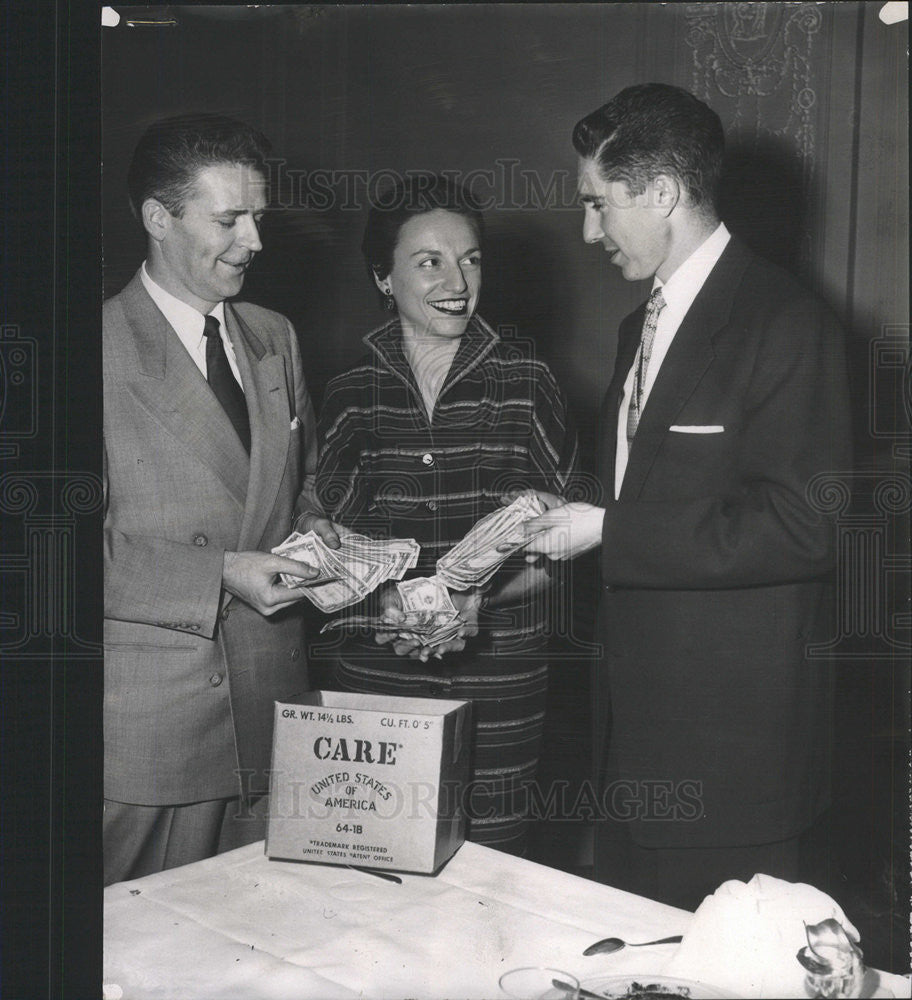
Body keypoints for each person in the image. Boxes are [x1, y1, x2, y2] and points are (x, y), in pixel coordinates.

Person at [522, 84, 852, 909]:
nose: (588, 231)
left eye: (599, 204)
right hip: (632, 755)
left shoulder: (785, 321)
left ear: (662, 191)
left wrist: (608, 529)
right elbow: (657, 500)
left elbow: (804, 525)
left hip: (732, 767)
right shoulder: (641, 326)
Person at [103, 113, 339, 885]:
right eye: (229, 219)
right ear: (158, 219)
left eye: (259, 218)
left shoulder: (275, 334)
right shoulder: (85, 351)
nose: (255, 242)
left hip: (273, 717)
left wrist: (320, 538)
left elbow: (298, 484)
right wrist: (220, 575)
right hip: (151, 744)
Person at [315, 174, 579, 855]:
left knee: (493, 869)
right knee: (371, 865)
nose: (456, 280)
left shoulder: (530, 381)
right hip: (377, 677)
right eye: (429, 261)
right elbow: (329, 537)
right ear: (383, 276)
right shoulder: (348, 392)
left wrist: (479, 601)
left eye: (470, 258)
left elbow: (571, 540)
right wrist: (383, 603)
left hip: (500, 682)